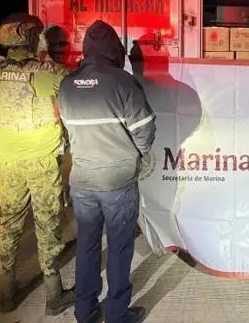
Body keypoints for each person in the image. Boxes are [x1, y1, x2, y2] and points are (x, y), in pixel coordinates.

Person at [0, 13, 74, 315]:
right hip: (42, 162)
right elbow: (75, 99)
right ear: (32, 38)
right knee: (47, 227)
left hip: (9, 163)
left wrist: (9, 145)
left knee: (9, 226)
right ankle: (54, 295)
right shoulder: (51, 73)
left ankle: (6, 295)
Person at [58, 20, 156, 323]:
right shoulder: (123, 82)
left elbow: (68, 132)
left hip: (83, 182)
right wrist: (136, 154)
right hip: (117, 182)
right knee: (118, 248)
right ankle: (116, 314)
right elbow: (145, 130)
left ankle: (85, 311)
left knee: (87, 247)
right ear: (114, 49)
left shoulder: (67, 85)